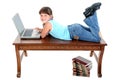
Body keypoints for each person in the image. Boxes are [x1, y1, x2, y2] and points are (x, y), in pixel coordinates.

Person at [35, 2, 102, 42]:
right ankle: (90, 14)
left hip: (74, 32)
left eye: (45, 15)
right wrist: (41, 29)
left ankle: (91, 14)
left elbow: (43, 36)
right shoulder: (51, 22)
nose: (43, 17)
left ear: (50, 16)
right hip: (73, 28)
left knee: (97, 38)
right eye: (41, 15)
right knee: (94, 32)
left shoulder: (47, 24)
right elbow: (47, 31)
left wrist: (37, 33)